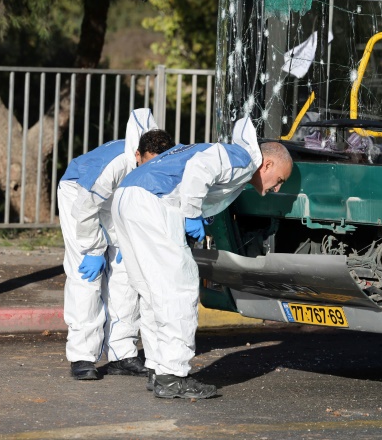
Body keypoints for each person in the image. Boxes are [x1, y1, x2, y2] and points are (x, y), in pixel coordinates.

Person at [111, 117, 293, 399]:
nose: (277, 188)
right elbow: (200, 168)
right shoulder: (242, 157)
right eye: (279, 180)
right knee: (178, 290)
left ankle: (159, 370)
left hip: (127, 196)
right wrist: (192, 213)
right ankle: (173, 376)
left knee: (152, 293)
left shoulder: (229, 155)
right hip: (153, 201)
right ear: (267, 164)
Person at [58, 108, 174, 380]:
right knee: (86, 276)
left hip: (114, 201)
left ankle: (122, 352)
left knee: (126, 274)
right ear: (136, 155)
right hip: (79, 195)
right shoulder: (116, 165)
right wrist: (94, 250)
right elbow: (86, 209)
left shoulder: (162, 160)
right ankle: (82, 357)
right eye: (147, 164)